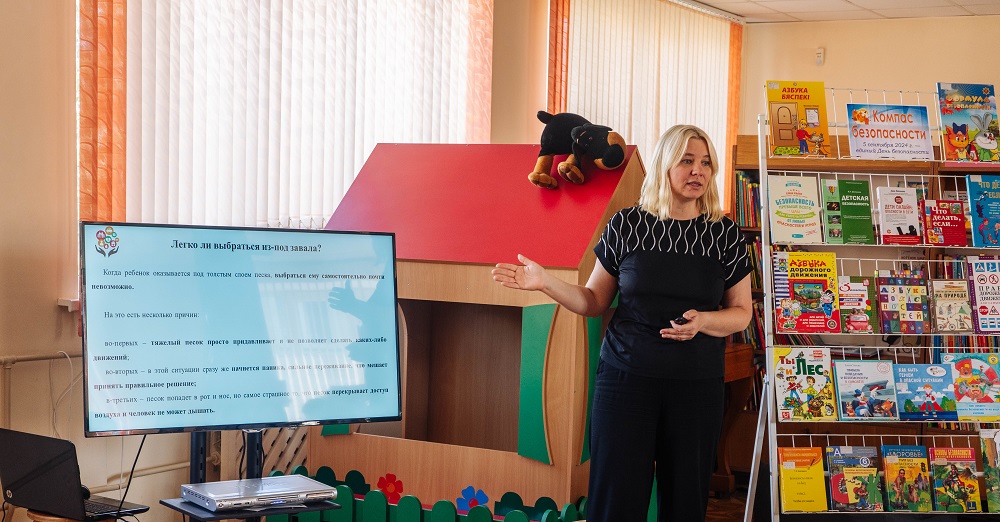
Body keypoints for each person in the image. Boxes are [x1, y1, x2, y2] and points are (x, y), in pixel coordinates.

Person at [491, 124, 752, 521]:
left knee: (685, 502)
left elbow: (742, 312)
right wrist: (545, 282)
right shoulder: (626, 225)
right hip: (626, 382)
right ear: (665, 164)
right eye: (686, 161)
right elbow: (593, 300)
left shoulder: (725, 235)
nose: (698, 171)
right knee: (615, 502)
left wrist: (704, 321)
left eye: (705, 163)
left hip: (695, 386)